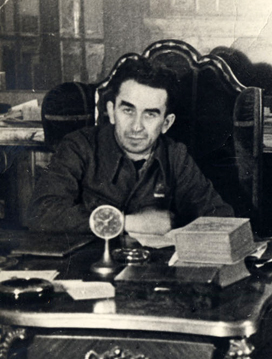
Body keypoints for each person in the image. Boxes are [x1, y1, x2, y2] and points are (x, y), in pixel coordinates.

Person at [29, 56, 233, 234]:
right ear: (112, 111)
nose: (136, 126)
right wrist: (126, 223)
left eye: (150, 114)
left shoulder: (176, 156)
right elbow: (41, 213)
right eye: (128, 111)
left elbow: (221, 218)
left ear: (166, 123)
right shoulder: (78, 146)